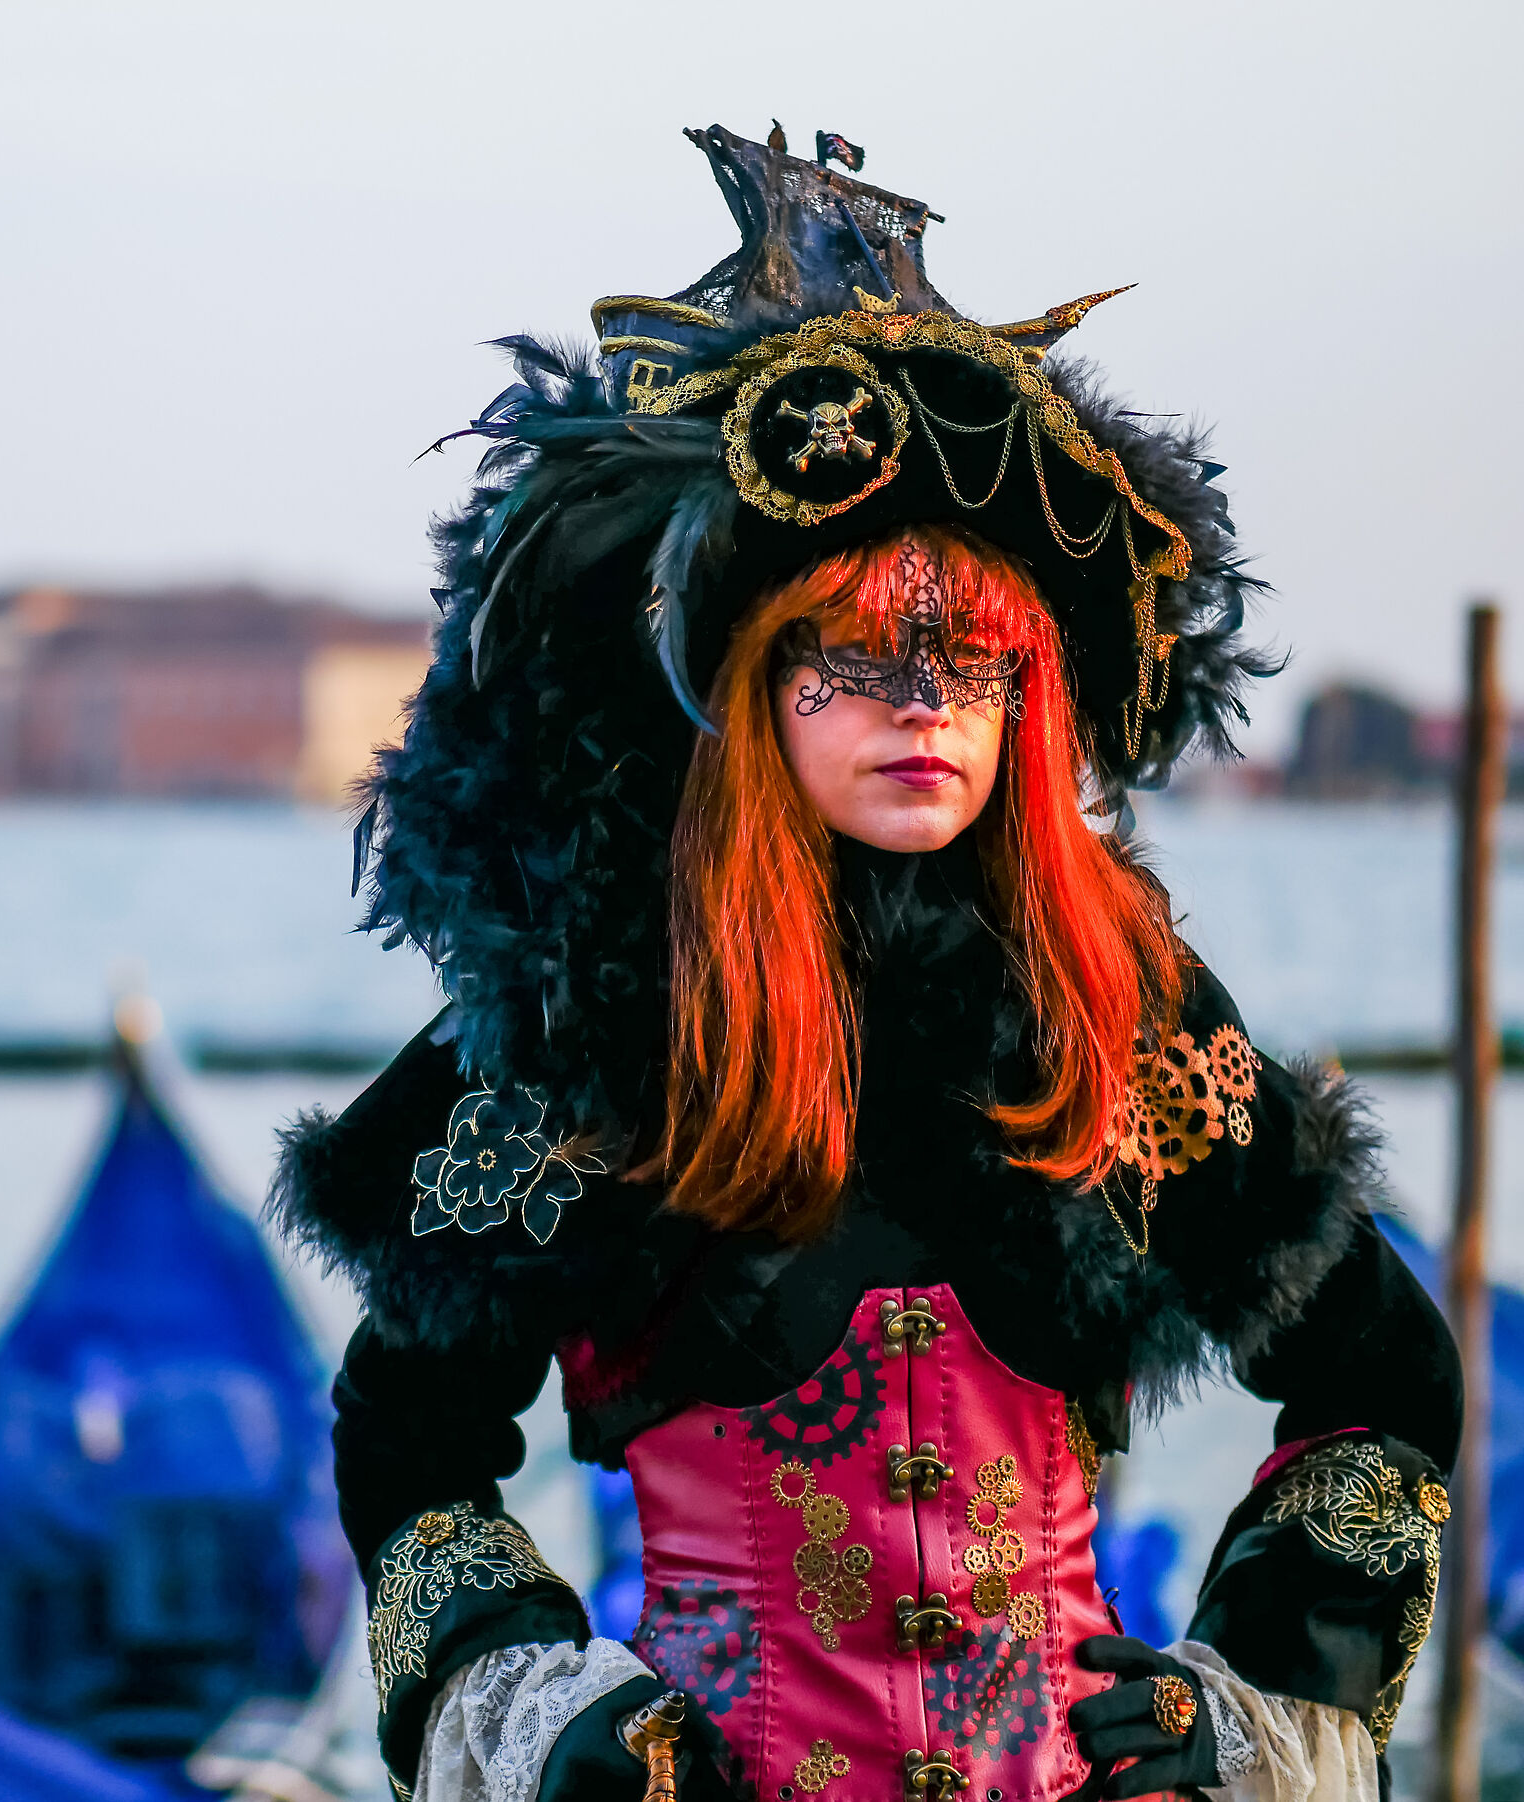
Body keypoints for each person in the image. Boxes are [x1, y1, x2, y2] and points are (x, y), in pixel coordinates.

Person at [271, 123, 1457, 1802]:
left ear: (1028, 698)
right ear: (751, 682)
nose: (922, 705)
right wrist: (550, 1716)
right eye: (855, 656)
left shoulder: (1116, 1027)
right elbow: (409, 1442)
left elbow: (1380, 1380)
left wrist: (1236, 1700)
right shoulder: (601, 1034)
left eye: (971, 662)